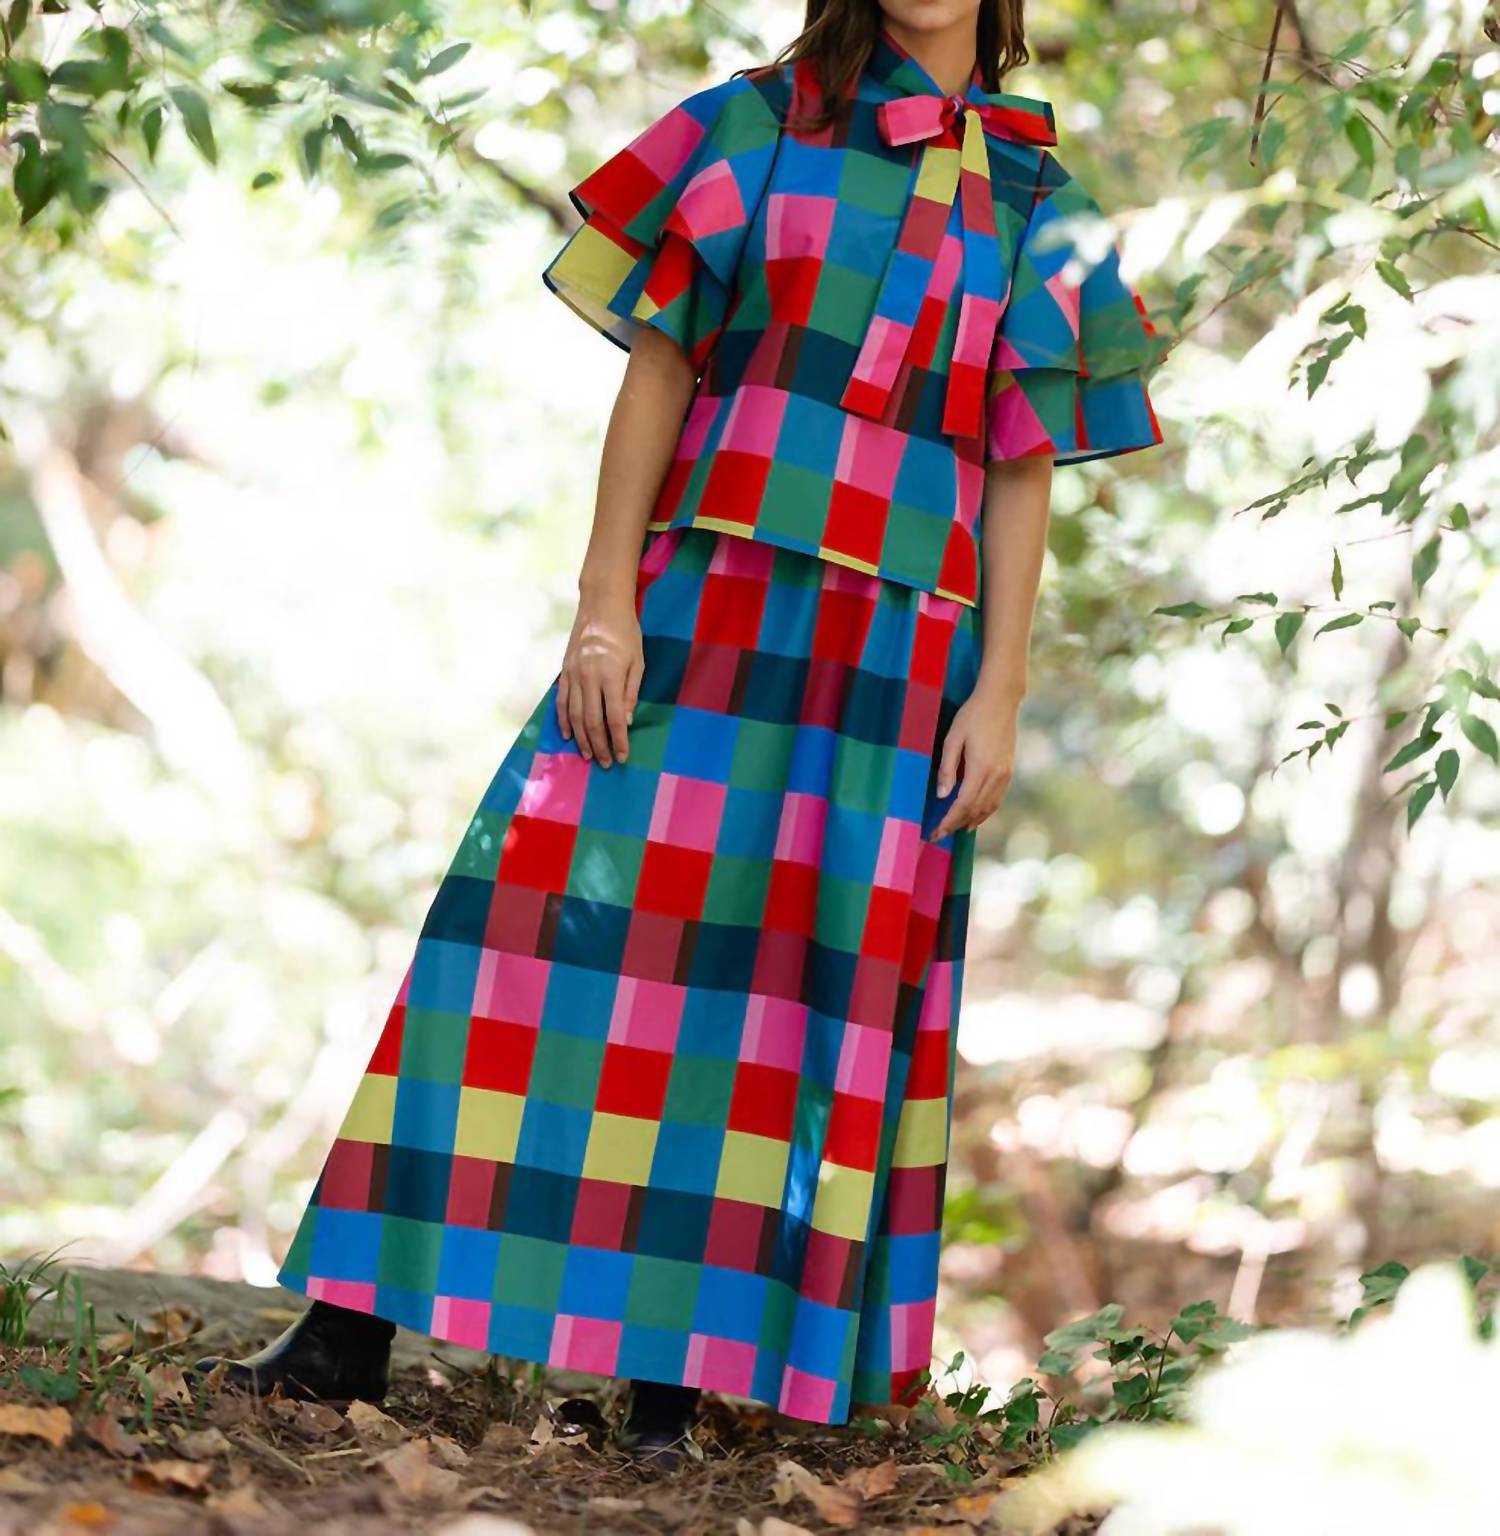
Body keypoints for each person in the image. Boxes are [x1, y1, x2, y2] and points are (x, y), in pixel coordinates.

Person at [195, 0, 1161, 1471]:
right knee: (523, 931)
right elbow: (659, 365)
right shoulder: (752, 126)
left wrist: (1003, 689)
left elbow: (1020, 469)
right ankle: (350, 1324)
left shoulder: (1040, 199)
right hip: (704, 596)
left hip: (898, 656)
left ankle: (667, 1383)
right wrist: (604, 602)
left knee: (779, 995)